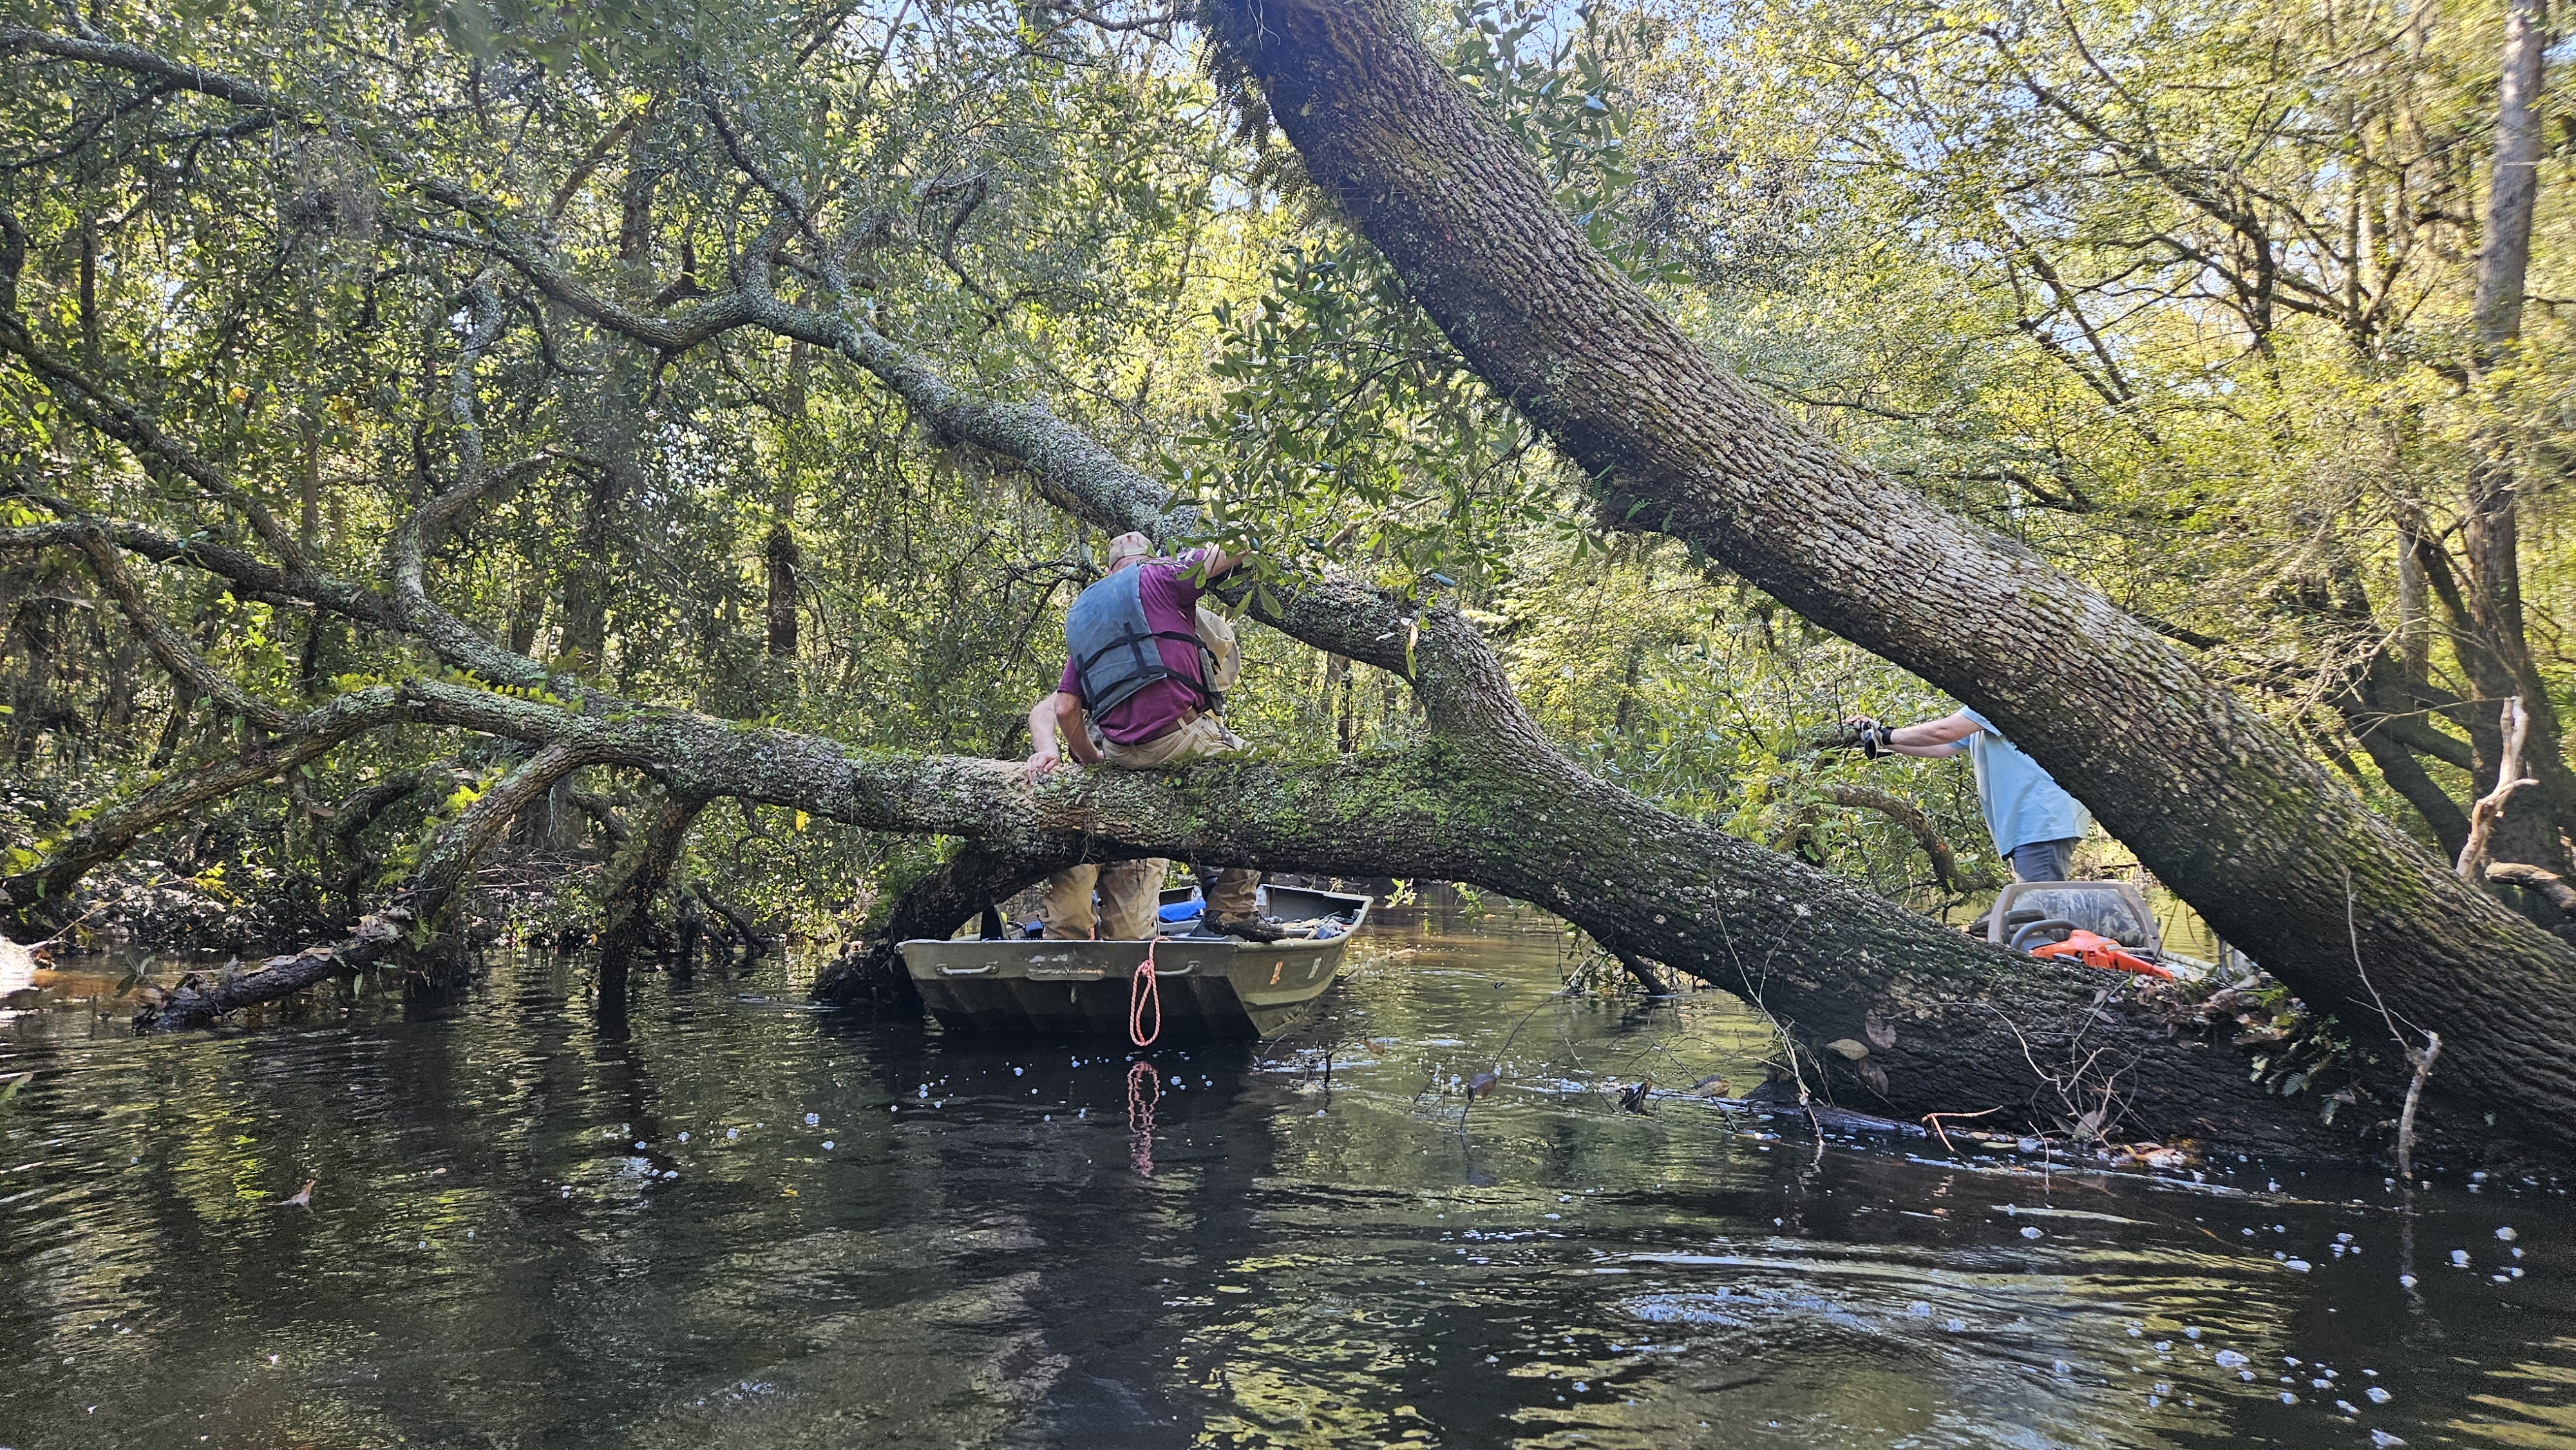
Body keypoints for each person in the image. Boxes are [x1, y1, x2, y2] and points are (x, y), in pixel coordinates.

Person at [1023, 531, 1265, 939]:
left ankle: (1067, 982)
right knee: (1264, 783)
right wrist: (1250, 534)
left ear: (1108, 572)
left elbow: (1064, 706)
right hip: (1166, 749)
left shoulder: (1090, 619)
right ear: (1152, 562)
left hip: (1116, 763)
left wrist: (1087, 759)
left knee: (1079, 928)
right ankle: (1232, 907)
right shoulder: (1161, 578)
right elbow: (1231, 549)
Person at [1844, 708, 2088, 882]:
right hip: (2030, 824)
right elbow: (1940, 748)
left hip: (2040, 820)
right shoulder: (1981, 718)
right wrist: (1876, 739)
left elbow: (1943, 732)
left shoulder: (1997, 700)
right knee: (2037, 916)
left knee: (2042, 919)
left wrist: (1885, 734)